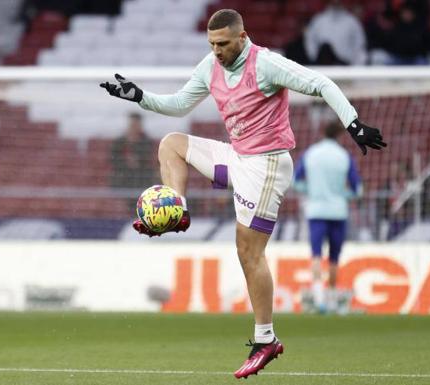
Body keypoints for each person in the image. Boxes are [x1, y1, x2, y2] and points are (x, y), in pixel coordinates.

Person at [100, 9, 386, 378]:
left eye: (222, 44)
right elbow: (179, 105)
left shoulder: (265, 64)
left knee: (248, 251)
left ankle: (266, 339)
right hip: (238, 158)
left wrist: (354, 124)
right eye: (211, 44)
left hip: (267, 165)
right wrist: (139, 96)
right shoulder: (209, 65)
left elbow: (321, 83)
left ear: (241, 37)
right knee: (171, 145)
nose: (216, 51)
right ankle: (177, 211)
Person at [293, 121, 362, 313]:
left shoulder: (311, 153)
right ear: (339, 136)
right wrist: (343, 194)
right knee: (333, 257)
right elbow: (357, 190)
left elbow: (296, 181)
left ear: (323, 133)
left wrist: (311, 191)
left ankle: (318, 298)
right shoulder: (344, 156)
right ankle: (331, 299)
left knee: (316, 254)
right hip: (338, 211)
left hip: (316, 210)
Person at [303, 0, 367, 65]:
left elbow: (359, 45)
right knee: (325, 47)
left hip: (345, 66)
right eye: (333, 2)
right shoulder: (318, 20)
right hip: (322, 64)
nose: (335, 4)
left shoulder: (352, 21)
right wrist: (314, 58)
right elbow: (310, 41)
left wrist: (355, 66)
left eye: (338, 2)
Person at [109, 113, 157, 189]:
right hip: (122, 176)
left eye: (136, 125)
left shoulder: (147, 142)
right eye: (132, 125)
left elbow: (148, 159)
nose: (134, 127)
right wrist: (126, 161)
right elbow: (112, 159)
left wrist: (137, 160)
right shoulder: (119, 142)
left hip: (142, 178)